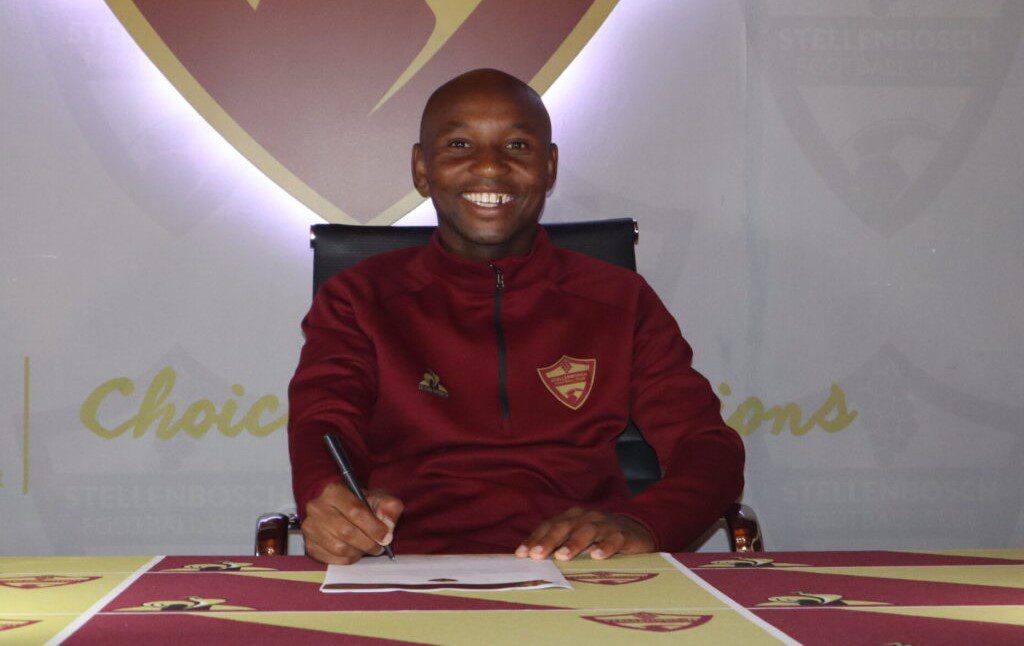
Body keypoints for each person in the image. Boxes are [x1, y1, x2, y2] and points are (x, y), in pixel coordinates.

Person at [288, 69, 744, 565]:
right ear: (421, 169)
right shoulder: (358, 299)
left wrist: (643, 523)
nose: (490, 166)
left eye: (517, 146)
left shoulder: (620, 299)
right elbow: (324, 423)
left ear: (549, 168)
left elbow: (706, 446)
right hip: (409, 566)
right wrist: (330, 500)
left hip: (582, 568)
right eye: (459, 144)